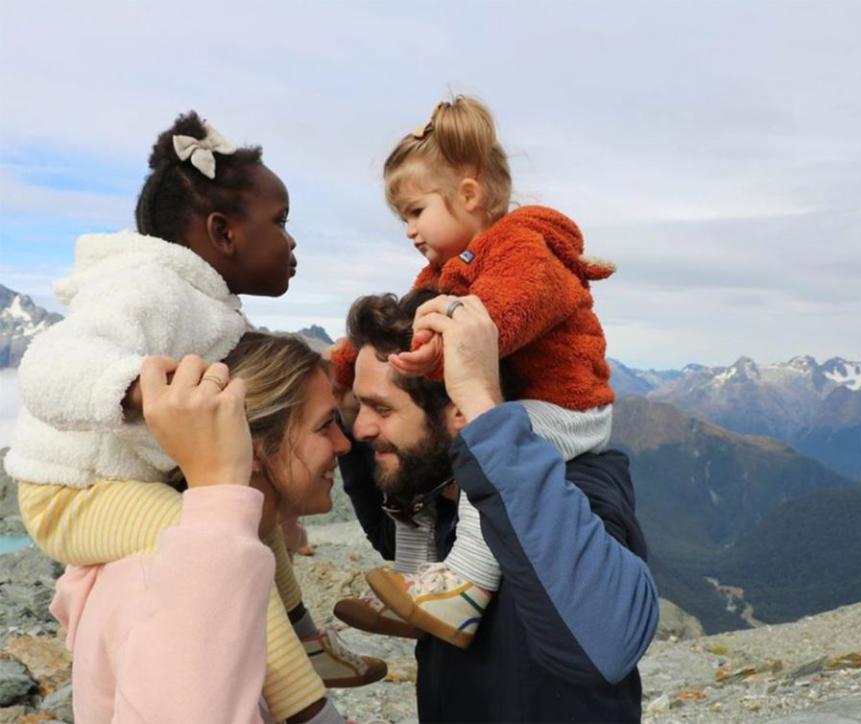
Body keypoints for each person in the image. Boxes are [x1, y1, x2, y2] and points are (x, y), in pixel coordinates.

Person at [6, 113, 382, 723]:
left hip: (119, 483)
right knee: (218, 546)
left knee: (250, 525)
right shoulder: (149, 287)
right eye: (281, 222)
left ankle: (307, 641)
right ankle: (308, 708)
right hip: (74, 493)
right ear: (222, 232)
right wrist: (151, 394)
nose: (292, 243)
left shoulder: (208, 305)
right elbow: (49, 366)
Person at [332, 95, 619, 649]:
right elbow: (403, 321)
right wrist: (344, 361)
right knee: (424, 467)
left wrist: (443, 350)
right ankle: (418, 583)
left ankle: (464, 587)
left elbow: (501, 320)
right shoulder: (446, 267)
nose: (409, 229)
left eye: (415, 212)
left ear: (468, 194)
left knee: (485, 459)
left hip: (568, 406)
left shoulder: (524, 248)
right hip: (515, 400)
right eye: (404, 218)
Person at [336, 290, 659, 722]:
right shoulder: (450, 490)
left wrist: (485, 410)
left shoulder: (566, 491)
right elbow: (390, 535)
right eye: (358, 407)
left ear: (459, 411)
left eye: (379, 408)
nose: (360, 429)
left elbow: (608, 642)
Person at [51, 333, 360, 723]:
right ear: (255, 447)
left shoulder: (223, 559)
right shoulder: (156, 582)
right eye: (324, 426)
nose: (343, 444)